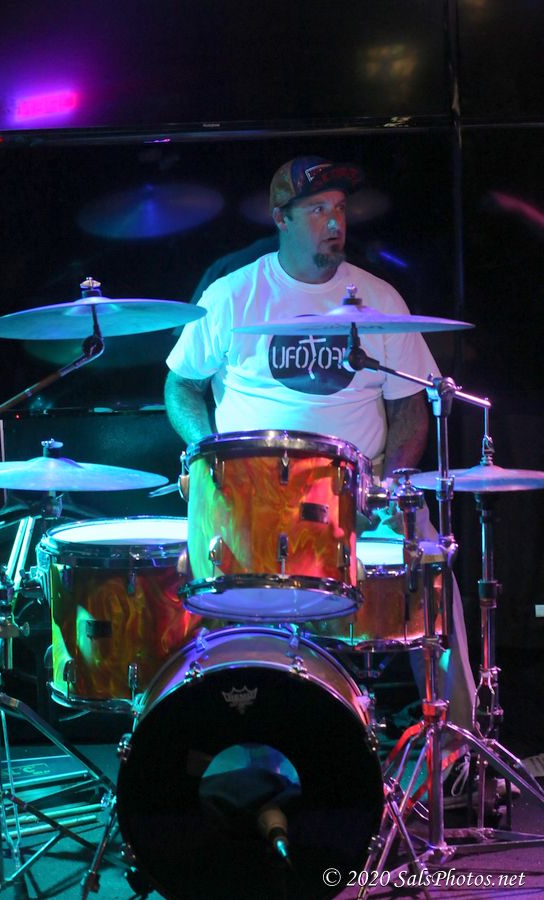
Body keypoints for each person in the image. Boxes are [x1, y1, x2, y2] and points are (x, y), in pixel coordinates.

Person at [164, 156, 475, 732]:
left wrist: (388, 484)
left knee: (431, 567)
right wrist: (209, 458)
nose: (334, 223)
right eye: (316, 210)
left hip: (358, 490)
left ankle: (457, 739)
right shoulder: (234, 295)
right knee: (194, 578)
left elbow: (410, 405)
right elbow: (180, 384)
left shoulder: (379, 299)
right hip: (250, 495)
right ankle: (208, 729)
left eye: (339, 209)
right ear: (281, 218)